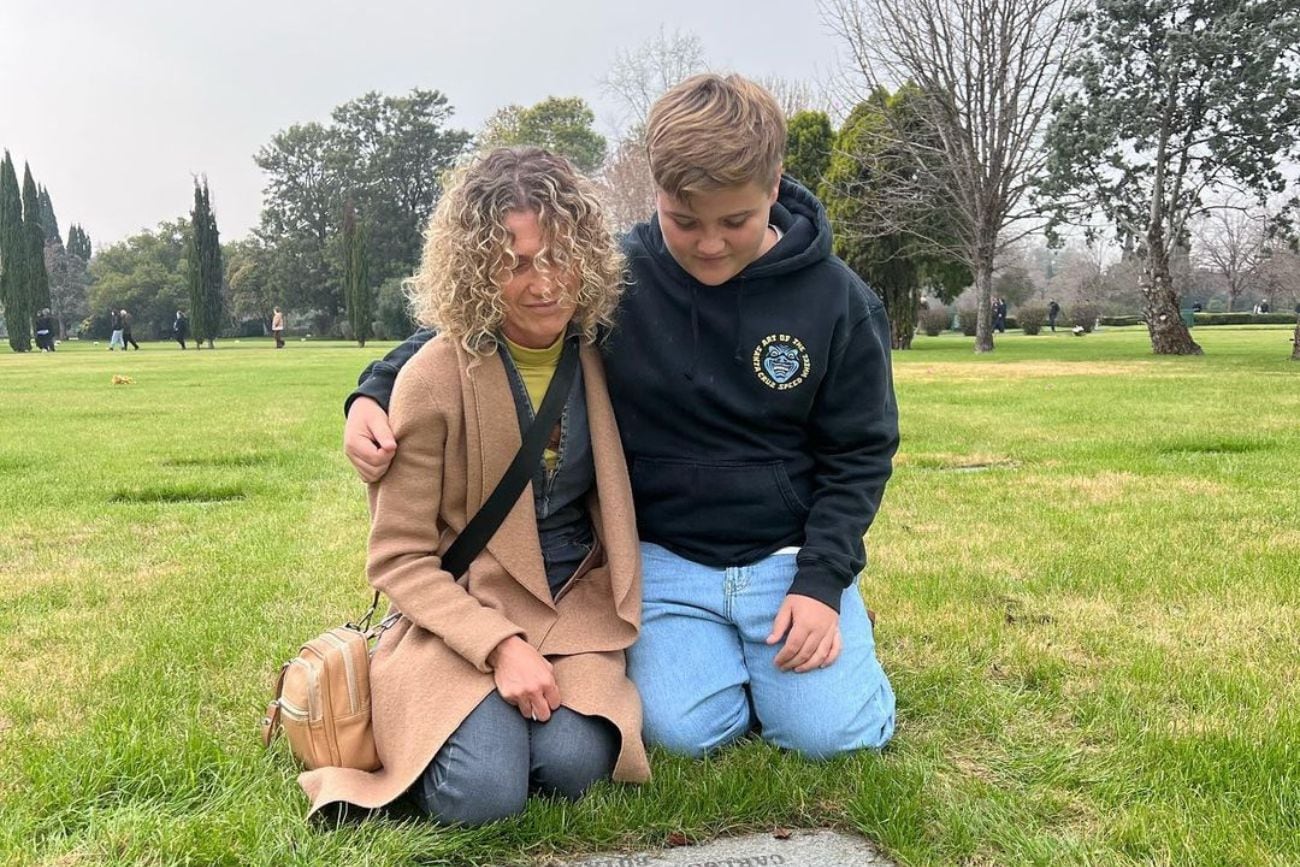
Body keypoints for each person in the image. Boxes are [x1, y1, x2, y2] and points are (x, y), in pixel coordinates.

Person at [344, 74, 896, 761]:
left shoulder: (840, 302)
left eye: (735, 221)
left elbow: (861, 455)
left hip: (787, 558)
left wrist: (820, 582)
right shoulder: (620, 275)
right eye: (684, 220)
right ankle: (736, 668)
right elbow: (480, 324)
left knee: (832, 738)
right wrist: (373, 388)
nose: (710, 244)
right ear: (657, 192)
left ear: (776, 183)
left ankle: (836, 658)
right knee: (682, 734)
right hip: (664, 564)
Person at [299, 147, 648, 825]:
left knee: (576, 764)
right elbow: (398, 557)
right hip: (458, 607)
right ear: (476, 268)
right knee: (484, 794)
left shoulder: (603, 350)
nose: (544, 282)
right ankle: (439, 726)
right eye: (514, 262)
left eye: (558, 255)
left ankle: (493, 724)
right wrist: (498, 646)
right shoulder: (432, 377)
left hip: (572, 603)